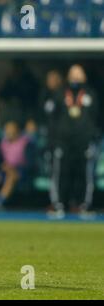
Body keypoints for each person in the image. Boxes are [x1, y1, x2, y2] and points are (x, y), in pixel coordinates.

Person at [49, 64, 100, 217]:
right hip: (63, 142)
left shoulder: (91, 94)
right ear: (68, 76)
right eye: (73, 73)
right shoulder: (60, 94)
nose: (76, 76)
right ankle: (59, 205)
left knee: (84, 175)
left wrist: (92, 138)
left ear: (84, 76)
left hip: (83, 142)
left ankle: (84, 206)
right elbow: (52, 118)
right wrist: (54, 140)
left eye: (79, 73)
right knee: (61, 174)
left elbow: (96, 118)